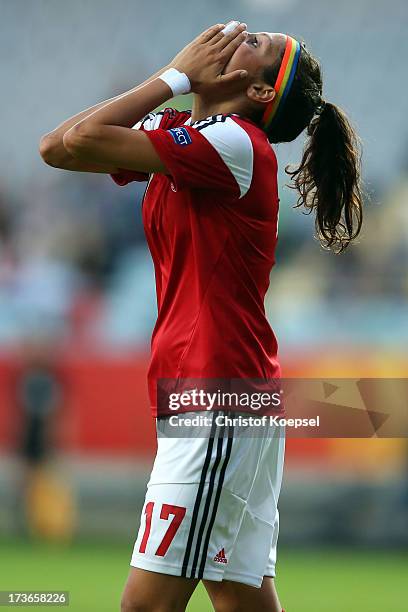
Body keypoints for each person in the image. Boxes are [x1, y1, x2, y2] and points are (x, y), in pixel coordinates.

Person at [39, 21, 363, 612]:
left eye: (256, 44)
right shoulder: (189, 133)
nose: (234, 35)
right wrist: (175, 85)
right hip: (221, 396)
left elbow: (85, 139)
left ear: (260, 91)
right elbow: (58, 147)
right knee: (239, 597)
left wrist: (174, 76)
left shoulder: (236, 143)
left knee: (146, 605)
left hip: (218, 396)